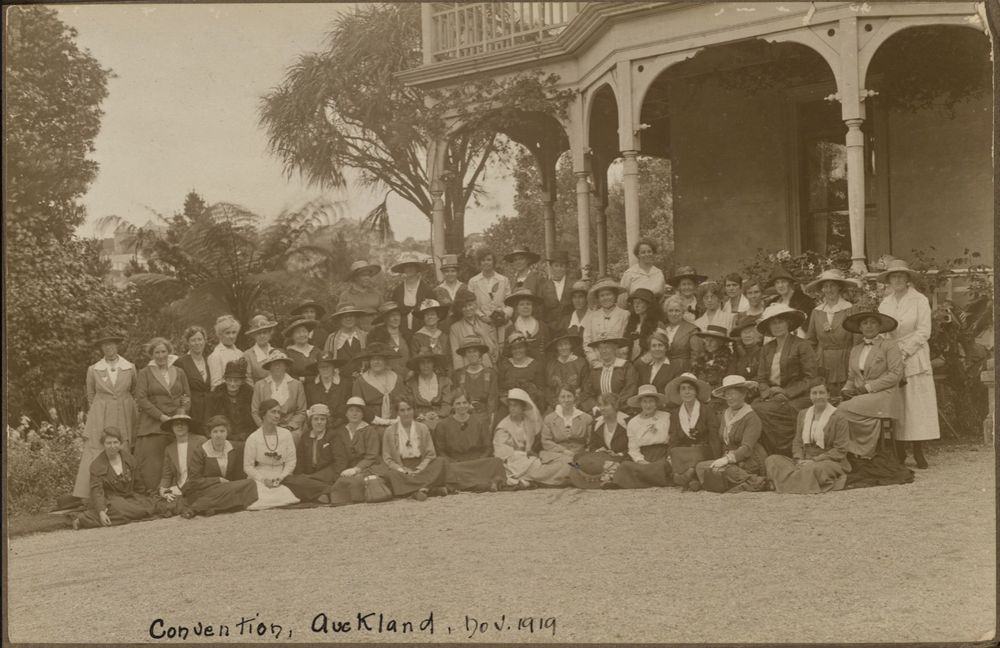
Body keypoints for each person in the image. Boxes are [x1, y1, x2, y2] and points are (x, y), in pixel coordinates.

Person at [877, 259, 939, 468]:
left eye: (901, 276)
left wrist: (904, 351)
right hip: (892, 356)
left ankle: (919, 452)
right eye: (893, 276)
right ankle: (900, 452)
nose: (897, 279)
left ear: (907, 278)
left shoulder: (919, 300)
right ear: (888, 280)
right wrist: (891, 353)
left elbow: (924, 331)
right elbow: (882, 331)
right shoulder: (885, 303)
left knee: (916, 405)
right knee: (898, 404)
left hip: (915, 355)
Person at [72, 330, 138, 501]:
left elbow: (134, 391)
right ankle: (90, 494)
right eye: (105, 344)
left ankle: (122, 491)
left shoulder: (129, 367)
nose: (109, 347)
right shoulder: (93, 369)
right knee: (97, 448)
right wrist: (102, 408)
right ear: (101, 348)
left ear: (117, 345)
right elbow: (91, 396)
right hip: (100, 414)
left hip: (124, 413)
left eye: (112, 343)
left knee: (122, 446)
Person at [73, 428, 174, 529]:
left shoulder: (129, 459)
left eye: (115, 442)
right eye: (108, 443)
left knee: (149, 504)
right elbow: (97, 492)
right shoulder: (96, 466)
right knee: (120, 509)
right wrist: (101, 511)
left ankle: (89, 518)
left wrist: (144, 499)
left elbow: (138, 484)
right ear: (103, 444)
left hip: (130, 498)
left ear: (120, 443)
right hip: (112, 501)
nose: (112, 446)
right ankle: (86, 518)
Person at [836, 310, 904, 459]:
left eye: (873, 323)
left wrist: (867, 388)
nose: (869, 326)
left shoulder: (889, 346)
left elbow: (895, 375)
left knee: (840, 411)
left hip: (884, 395)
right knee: (835, 408)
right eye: (865, 323)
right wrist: (846, 390)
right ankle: (854, 453)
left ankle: (859, 452)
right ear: (860, 328)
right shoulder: (856, 349)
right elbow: (851, 377)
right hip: (862, 397)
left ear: (879, 327)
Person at [752, 303, 818, 456]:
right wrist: (766, 392)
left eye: (780, 322)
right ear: (769, 327)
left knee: (762, 409)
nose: (777, 326)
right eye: (773, 323)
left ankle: (786, 450)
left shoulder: (802, 345)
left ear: (788, 323)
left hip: (799, 395)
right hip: (772, 395)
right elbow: (761, 377)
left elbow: (811, 378)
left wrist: (786, 392)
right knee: (752, 408)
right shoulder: (767, 349)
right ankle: (768, 452)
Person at [765, 379, 852, 493]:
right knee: (772, 460)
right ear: (810, 396)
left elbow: (840, 450)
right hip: (804, 461)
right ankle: (799, 482)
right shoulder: (803, 414)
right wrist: (800, 459)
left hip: (829, 461)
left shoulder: (839, 417)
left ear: (828, 395)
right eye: (814, 393)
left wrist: (815, 460)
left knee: (813, 469)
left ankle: (784, 483)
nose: (818, 396)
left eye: (821, 393)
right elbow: (797, 441)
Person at [693, 375, 769, 493]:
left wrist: (727, 460)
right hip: (728, 460)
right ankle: (736, 483)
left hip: (749, 460)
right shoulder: (725, 414)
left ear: (743, 394)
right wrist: (721, 459)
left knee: (726, 470)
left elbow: (747, 448)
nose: (729, 398)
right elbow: (724, 442)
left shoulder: (752, 417)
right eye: (727, 394)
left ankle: (755, 481)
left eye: (733, 393)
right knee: (701, 467)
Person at [134, 337, 191, 492]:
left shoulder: (179, 372)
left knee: (176, 461)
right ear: (152, 354)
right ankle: (153, 494)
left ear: (168, 352)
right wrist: (162, 417)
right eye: (156, 352)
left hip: (175, 423)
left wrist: (179, 416)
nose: (160, 356)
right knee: (153, 465)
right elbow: (141, 399)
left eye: (163, 351)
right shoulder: (145, 373)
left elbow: (186, 396)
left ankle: (175, 492)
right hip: (153, 425)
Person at [180, 415, 257, 516]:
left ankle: (211, 508)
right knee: (224, 492)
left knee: (250, 483)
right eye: (215, 431)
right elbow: (194, 480)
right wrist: (217, 480)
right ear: (209, 434)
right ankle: (197, 507)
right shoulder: (201, 451)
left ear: (227, 433)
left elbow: (238, 474)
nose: (219, 435)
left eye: (222, 431)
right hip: (205, 489)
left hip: (226, 488)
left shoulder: (234, 448)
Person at [432, 390, 506, 492]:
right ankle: (481, 485)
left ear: (469, 404)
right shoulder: (443, 425)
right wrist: (452, 461)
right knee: (447, 468)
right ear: (452, 406)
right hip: (456, 463)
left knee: (496, 462)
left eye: (464, 403)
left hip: (477, 461)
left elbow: (488, 447)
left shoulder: (479, 422)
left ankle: (466, 485)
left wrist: (480, 459)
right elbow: (440, 451)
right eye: (458, 403)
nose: (462, 406)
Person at [317, 397, 385, 506]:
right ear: (346, 414)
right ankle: (330, 494)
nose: (354, 414)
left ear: (363, 414)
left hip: (367, 466)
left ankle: (334, 496)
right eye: (351, 410)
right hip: (345, 465)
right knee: (329, 476)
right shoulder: (341, 430)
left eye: (358, 411)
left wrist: (356, 469)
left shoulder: (369, 430)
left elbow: (372, 456)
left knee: (354, 480)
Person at [493, 388, 566, 488]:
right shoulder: (503, 427)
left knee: (562, 460)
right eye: (510, 405)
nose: (512, 408)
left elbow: (535, 435)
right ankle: (548, 479)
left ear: (522, 407)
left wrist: (532, 454)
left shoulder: (528, 422)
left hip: (530, 459)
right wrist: (525, 455)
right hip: (514, 464)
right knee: (546, 469)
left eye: (515, 405)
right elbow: (501, 454)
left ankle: (541, 478)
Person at [804, 268, 860, 391]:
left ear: (839, 287)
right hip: (822, 361)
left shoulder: (850, 309)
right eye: (825, 286)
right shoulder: (817, 311)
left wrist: (854, 362)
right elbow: (810, 341)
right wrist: (811, 363)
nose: (829, 290)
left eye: (832, 286)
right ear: (822, 289)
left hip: (845, 359)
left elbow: (857, 341)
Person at [381, 400, 447, 500]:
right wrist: (403, 470)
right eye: (402, 410)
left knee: (441, 462)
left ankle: (412, 491)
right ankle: (429, 489)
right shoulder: (389, 431)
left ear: (413, 410)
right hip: (402, 467)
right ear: (397, 412)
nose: (406, 413)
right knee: (391, 474)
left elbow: (431, 454)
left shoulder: (423, 428)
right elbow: (388, 459)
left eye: (409, 409)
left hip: (422, 466)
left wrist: (419, 469)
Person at [282, 404, 349, 502]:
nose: (319, 422)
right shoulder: (305, 437)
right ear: (311, 421)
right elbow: (300, 460)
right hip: (310, 476)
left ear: (327, 421)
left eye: (322, 419)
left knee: (302, 483)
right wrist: (299, 477)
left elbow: (341, 460)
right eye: (316, 419)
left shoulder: (332, 435)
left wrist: (335, 478)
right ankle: (325, 492)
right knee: (288, 480)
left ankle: (319, 491)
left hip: (327, 473)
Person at [243, 399, 300, 510]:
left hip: (282, 474)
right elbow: (248, 466)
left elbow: (291, 461)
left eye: (279, 412)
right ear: (263, 414)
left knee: (291, 492)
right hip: (261, 475)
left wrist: (282, 477)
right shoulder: (253, 438)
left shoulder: (286, 434)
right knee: (259, 497)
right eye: (273, 412)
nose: (277, 416)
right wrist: (264, 480)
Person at [612, 385, 673, 488]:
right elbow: (633, 448)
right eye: (645, 401)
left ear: (656, 403)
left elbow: (672, 440)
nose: (648, 405)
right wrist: (641, 461)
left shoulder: (666, 417)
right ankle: (652, 478)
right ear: (640, 403)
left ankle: (639, 480)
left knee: (662, 466)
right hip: (643, 456)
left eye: (651, 401)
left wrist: (668, 458)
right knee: (624, 466)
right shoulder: (633, 422)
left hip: (661, 455)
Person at [664, 373, 716, 489]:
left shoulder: (706, 410)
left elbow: (714, 436)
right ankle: (692, 479)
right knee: (675, 451)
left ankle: (688, 476)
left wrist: (717, 457)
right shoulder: (675, 413)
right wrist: (670, 454)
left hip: (704, 449)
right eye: (683, 389)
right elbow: (674, 438)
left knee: (696, 452)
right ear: (679, 392)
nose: (687, 392)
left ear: (696, 392)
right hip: (685, 452)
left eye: (690, 388)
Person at [567, 393, 629, 489]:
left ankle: (606, 478)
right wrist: (601, 450)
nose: (602, 408)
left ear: (615, 406)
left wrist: (619, 454)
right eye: (600, 405)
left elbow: (634, 446)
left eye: (606, 405)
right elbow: (593, 446)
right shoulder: (597, 423)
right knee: (578, 458)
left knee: (625, 464)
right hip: (602, 458)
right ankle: (594, 477)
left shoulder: (627, 422)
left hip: (621, 457)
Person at [538, 386, 592, 486]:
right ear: (558, 399)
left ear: (574, 398)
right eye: (562, 397)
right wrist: (563, 450)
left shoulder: (586, 418)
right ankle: (569, 478)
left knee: (576, 464)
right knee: (562, 463)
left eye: (569, 396)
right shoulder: (550, 419)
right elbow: (546, 441)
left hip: (578, 454)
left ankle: (558, 480)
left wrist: (583, 452)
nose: (566, 400)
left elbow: (590, 441)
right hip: (557, 454)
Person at [250, 350, 307, 442]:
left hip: (290, 429)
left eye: (280, 363)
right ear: (269, 367)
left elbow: (301, 411)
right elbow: (255, 411)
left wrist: (290, 427)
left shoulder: (296, 385)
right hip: (267, 427)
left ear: (285, 366)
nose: (277, 366)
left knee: (292, 438)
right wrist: (265, 427)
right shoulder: (260, 385)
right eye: (274, 364)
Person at [157, 414, 206, 511]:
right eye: (176, 424)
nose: (180, 426)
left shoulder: (201, 441)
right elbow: (167, 475)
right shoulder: (169, 449)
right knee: (161, 506)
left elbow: (208, 467)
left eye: (183, 424)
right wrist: (162, 490)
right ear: (172, 428)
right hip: (179, 487)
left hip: (199, 485)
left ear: (188, 426)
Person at [467, 248, 511, 352]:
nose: (486, 262)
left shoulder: (503, 280)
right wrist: (482, 316)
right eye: (483, 260)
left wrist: (503, 315)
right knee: (487, 350)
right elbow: (471, 303)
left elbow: (510, 302)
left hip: (502, 323)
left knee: (503, 350)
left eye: (489, 259)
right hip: (483, 322)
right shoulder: (473, 281)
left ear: (493, 262)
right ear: (479, 262)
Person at [580, 336, 639, 413]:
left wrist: (613, 407)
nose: (604, 351)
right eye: (601, 348)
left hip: (622, 411)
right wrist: (595, 406)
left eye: (607, 347)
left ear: (614, 349)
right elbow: (587, 392)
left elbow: (630, 390)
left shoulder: (626, 367)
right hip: (600, 411)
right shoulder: (595, 370)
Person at [351, 342, 408, 420]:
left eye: (380, 359)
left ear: (385, 361)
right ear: (369, 362)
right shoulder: (361, 381)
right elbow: (358, 407)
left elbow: (404, 403)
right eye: (373, 359)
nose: (376, 362)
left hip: (395, 421)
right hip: (371, 422)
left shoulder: (397, 378)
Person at [581, 278, 629, 367]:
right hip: (597, 363)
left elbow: (626, 341)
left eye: (608, 294)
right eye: (602, 295)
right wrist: (594, 361)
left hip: (619, 362)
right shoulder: (592, 317)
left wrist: (619, 361)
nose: (605, 298)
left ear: (615, 296)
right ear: (598, 298)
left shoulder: (625, 315)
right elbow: (587, 341)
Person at [498, 331, 546, 418]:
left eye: (520, 347)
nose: (517, 351)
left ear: (525, 348)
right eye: (514, 348)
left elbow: (540, 389)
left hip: (530, 404)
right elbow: (500, 389)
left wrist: (526, 403)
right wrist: (510, 404)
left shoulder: (535, 365)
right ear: (511, 350)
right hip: (508, 405)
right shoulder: (505, 365)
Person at [206, 358, 255, 442]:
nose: (232, 384)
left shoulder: (249, 393)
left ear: (242, 381)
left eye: (236, 381)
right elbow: (210, 419)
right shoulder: (217, 394)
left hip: (246, 436)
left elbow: (253, 418)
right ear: (225, 380)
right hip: (223, 437)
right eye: (229, 380)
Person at [452, 336, 499, 423]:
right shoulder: (458, 374)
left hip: (484, 416)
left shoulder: (490, 373)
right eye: (469, 352)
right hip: (463, 416)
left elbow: (492, 401)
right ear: (465, 355)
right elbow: (456, 399)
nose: (472, 354)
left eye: (475, 351)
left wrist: (490, 422)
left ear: (480, 353)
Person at [175, 325, 212, 431]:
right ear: (188, 342)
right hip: (192, 408)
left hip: (209, 408)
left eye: (200, 339)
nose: (197, 343)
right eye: (193, 340)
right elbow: (177, 388)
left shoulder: (209, 360)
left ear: (205, 340)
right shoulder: (181, 362)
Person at [388, 255, 436, 338]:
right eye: (406, 267)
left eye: (412, 266)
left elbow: (433, 310)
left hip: (422, 326)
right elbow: (393, 309)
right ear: (403, 270)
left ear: (417, 269)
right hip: (402, 327)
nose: (409, 269)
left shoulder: (426, 289)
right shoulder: (398, 290)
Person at [405, 351, 453, 431]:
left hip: (441, 417)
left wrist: (437, 414)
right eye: (422, 363)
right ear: (418, 365)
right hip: (419, 419)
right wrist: (423, 415)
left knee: (442, 428)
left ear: (433, 364)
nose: (425, 366)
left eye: (429, 362)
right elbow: (410, 406)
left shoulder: (444, 381)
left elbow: (447, 404)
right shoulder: (411, 383)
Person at [449, 293, 498, 369]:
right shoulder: (455, 328)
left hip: (487, 367)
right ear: (460, 309)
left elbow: (494, 351)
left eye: (470, 305)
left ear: (475, 305)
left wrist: (483, 335)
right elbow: (456, 356)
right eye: (464, 306)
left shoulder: (486, 323)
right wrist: (460, 374)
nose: (468, 308)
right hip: (467, 370)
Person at [304, 351, 351, 428]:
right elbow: (309, 409)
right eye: (322, 367)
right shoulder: (310, 386)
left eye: (328, 366)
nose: (325, 369)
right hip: (318, 426)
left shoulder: (345, 384)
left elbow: (348, 408)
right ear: (318, 369)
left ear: (333, 367)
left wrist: (335, 424)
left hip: (342, 425)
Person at [655, 295, 702, 373]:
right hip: (662, 368)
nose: (674, 314)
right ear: (666, 312)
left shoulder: (692, 329)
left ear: (683, 312)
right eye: (670, 310)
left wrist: (691, 373)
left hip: (682, 369)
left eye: (677, 310)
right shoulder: (663, 328)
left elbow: (697, 356)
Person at [691, 325, 733, 408]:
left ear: (720, 342)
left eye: (712, 341)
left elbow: (727, 384)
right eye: (706, 340)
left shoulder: (729, 359)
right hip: (700, 396)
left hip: (719, 399)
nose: (708, 344)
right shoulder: (701, 358)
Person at [765, 265, 814, 333]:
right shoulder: (772, 303)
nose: (780, 285)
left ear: (790, 283)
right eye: (777, 282)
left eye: (784, 282)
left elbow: (810, 326)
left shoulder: (804, 301)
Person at [544, 333, 588, 409]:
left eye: (566, 344)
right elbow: (548, 388)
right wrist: (555, 404)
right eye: (560, 345)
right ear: (556, 347)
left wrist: (577, 402)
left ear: (570, 345)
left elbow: (586, 386)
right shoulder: (551, 365)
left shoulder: (581, 363)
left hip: (577, 403)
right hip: (556, 404)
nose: (563, 347)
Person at [618, 239, 666, 308]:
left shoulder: (659, 273)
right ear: (638, 255)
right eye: (643, 252)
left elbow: (662, 298)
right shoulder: (629, 273)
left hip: (655, 312)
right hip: (635, 312)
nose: (647, 254)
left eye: (649, 251)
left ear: (653, 253)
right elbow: (622, 300)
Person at [504, 288, 549, 360]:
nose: (526, 307)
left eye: (528, 304)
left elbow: (548, 350)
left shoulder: (543, 326)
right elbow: (506, 354)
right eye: (521, 304)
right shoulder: (510, 329)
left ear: (532, 307)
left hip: (540, 367)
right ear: (516, 308)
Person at [368, 301, 411, 376]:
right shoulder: (377, 336)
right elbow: (374, 358)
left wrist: (411, 371)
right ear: (385, 318)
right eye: (392, 315)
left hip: (408, 376)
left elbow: (413, 355)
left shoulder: (407, 334)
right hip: (385, 376)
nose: (396, 318)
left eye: (398, 315)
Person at [323, 303, 371, 368]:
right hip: (340, 375)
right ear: (339, 319)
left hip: (362, 374)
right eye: (344, 316)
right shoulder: (332, 338)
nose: (348, 319)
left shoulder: (365, 336)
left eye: (351, 316)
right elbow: (327, 360)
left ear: (356, 318)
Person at [340, 260, 383, 330]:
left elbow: (384, 313)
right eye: (363, 275)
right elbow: (343, 318)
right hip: (356, 332)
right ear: (355, 277)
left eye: (369, 275)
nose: (367, 278)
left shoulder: (376, 293)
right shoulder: (346, 295)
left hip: (376, 330)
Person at [207, 315, 246, 388]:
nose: (231, 336)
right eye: (227, 333)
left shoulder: (240, 353)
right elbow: (216, 385)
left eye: (234, 332)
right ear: (220, 335)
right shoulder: (216, 356)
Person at [624, 288, 661, 360]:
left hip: (648, 362)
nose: (636, 305)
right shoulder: (633, 323)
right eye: (634, 302)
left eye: (639, 302)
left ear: (648, 305)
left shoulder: (657, 325)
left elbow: (659, 348)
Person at [539, 250, 574, 326]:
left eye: (562, 266)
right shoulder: (544, 287)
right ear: (551, 267)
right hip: (550, 331)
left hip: (570, 328)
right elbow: (541, 312)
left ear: (566, 267)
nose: (559, 269)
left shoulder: (573, 285)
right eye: (556, 265)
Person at [243, 314, 279, 383]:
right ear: (253, 335)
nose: (262, 336)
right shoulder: (248, 355)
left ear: (269, 333)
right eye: (258, 333)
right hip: (258, 391)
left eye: (265, 332)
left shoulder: (276, 352)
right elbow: (248, 379)